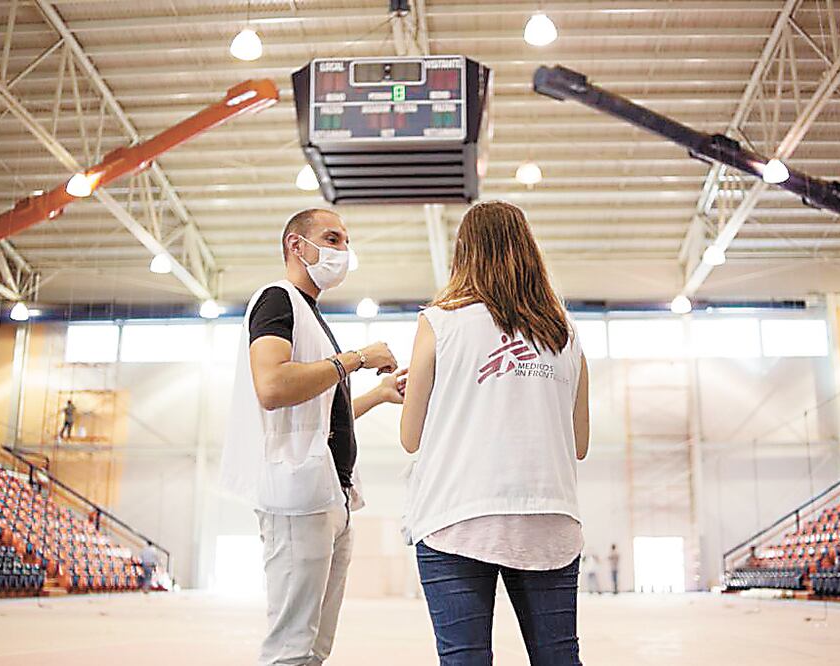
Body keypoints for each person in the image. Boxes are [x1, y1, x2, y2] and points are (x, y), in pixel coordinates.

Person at [400, 200, 590, 666]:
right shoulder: (565, 333)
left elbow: (411, 436)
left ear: (464, 253)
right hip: (549, 516)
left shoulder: (439, 322)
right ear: (530, 252)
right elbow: (579, 444)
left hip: (456, 516)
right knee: (558, 657)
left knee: (464, 660)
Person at [220, 208, 406, 666]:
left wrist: (379, 394)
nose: (343, 250)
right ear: (296, 246)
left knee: (314, 649)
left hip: (330, 496)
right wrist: (357, 358)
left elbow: (324, 417)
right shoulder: (277, 299)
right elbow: (272, 387)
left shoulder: (311, 316)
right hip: (295, 496)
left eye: (346, 240)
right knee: (290, 646)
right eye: (332, 238)